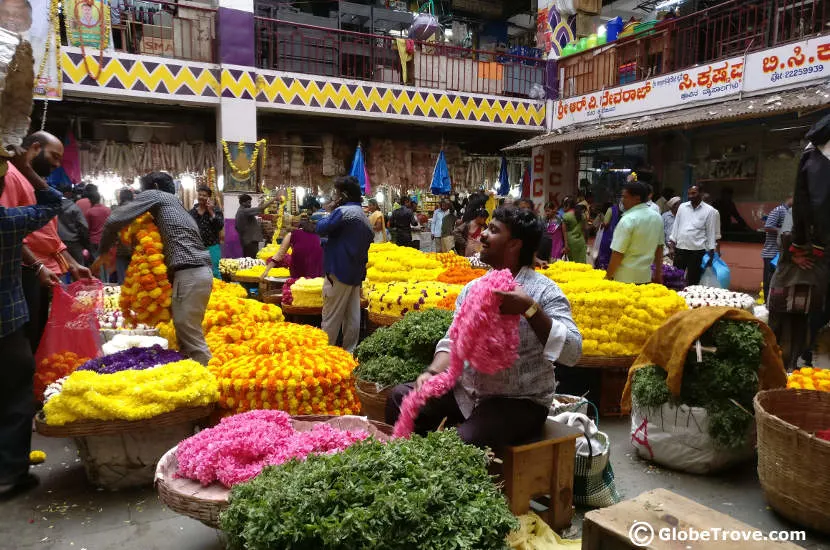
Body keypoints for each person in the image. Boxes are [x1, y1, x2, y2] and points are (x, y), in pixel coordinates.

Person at [385, 206, 583, 449]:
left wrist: (529, 309)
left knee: (463, 442)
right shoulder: (473, 288)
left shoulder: (544, 292)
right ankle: (412, 467)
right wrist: (433, 373)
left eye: (494, 230)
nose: (483, 235)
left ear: (514, 244)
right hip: (466, 392)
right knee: (399, 398)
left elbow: (573, 352)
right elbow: (452, 341)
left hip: (518, 401)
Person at [92, 172, 213, 365]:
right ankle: (193, 381)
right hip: (196, 273)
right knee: (185, 336)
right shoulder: (176, 205)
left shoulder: (158, 195)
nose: (140, 195)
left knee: (190, 336)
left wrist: (104, 253)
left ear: (154, 187)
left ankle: (210, 385)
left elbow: (114, 220)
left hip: (190, 273)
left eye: (142, 190)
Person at [0, 148, 63, 498]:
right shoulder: (7, 221)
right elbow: (53, 201)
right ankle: (10, 472)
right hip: (6, 323)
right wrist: (23, 165)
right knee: (16, 395)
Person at [0, 131, 92, 354]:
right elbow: (7, 232)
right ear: (35, 147)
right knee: (26, 341)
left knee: (38, 336)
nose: (57, 165)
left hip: (40, 271)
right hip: (23, 272)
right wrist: (37, 266)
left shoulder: (32, 181)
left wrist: (71, 263)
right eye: (55, 156)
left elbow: (48, 236)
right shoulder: (12, 176)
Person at [316, 176, 373, 353]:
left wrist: (331, 209)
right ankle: (349, 354)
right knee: (352, 316)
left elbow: (321, 227)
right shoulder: (363, 215)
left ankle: (327, 354)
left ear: (344, 195)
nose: (335, 196)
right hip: (355, 273)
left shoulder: (343, 212)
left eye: (337, 193)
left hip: (339, 270)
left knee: (332, 315)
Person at [605, 181, 665, 284]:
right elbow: (659, 249)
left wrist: (607, 277)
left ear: (637, 198)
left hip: (624, 279)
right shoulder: (657, 217)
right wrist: (658, 274)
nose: (622, 201)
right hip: (645, 277)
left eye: (625, 197)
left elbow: (618, 253)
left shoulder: (628, 219)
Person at [669, 185, 718, 286]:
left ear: (701, 193)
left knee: (693, 280)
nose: (690, 196)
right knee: (675, 279)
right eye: (689, 194)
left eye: (693, 193)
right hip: (680, 249)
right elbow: (676, 226)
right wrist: (672, 245)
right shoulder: (682, 207)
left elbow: (711, 232)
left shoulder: (710, 211)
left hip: (697, 251)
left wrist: (711, 253)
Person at [262, 213, 323, 280]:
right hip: (316, 268)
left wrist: (266, 270)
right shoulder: (319, 236)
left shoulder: (292, 234)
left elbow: (280, 254)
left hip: (298, 267)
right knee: (313, 287)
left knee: (297, 286)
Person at [762, 195, 793, 302]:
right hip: (771, 253)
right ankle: (767, 303)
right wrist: (783, 230)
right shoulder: (778, 210)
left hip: (781, 253)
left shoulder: (790, 213)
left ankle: (774, 302)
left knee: (778, 282)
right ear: (791, 198)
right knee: (769, 280)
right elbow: (767, 226)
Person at [190, 186, 224, 279]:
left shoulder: (216, 210)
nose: (201, 197)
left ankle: (218, 292)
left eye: (204, 195)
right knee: (198, 272)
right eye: (200, 195)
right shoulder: (192, 212)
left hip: (212, 246)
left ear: (209, 198)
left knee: (214, 272)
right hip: (196, 247)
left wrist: (211, 211)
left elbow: (220, 226)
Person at [56, 182, 89, 267]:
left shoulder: (52, 207)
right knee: (78, 268)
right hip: (74, 242)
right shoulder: (74, 207)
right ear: (68, 193)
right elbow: (83, 226)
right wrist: (84, 242)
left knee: (61, 267)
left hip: (58, 243)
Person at [235, 193, 276, 259]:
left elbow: (259, 210)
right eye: (248, 203)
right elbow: (261, 208)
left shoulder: (241, 211)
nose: (250, 204)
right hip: (250, 242)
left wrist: (261, 202)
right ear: (243, 203)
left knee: (249, 260)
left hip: (247, 241)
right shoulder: (244, 211)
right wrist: (274, 198)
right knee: (252, 260)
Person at [83, 187, 111, 280]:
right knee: (105, 262)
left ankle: (101, 282)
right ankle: (106, 282)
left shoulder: (89, 212)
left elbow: (87, 228)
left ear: (90, 200)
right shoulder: (108, 210)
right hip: (106, 240)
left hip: (94, 241)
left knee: (97, 263)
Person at [113, 188, 134, 284]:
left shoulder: (115, 212)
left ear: (120, 198)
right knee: (136, 279)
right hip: (136, 250)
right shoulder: (138, 209)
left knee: (122, 280)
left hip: (121, 250)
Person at [594, 200, 621, 270]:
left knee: (605, 257)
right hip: (620, 239)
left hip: (608, 237)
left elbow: (605, 224)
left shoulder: (611, 210)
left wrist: (601, 224)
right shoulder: (629, 211)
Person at [562, 196, 588, 263]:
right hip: (581, 241)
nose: (563, 208)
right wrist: (585, 242)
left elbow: (564, 232)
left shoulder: (565, 216)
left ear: (567, 205)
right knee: (582, 263)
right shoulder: (582, 215)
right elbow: (585, 229)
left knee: (573, 263)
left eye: (564, 205)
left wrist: (566, 245)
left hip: (571, 242)